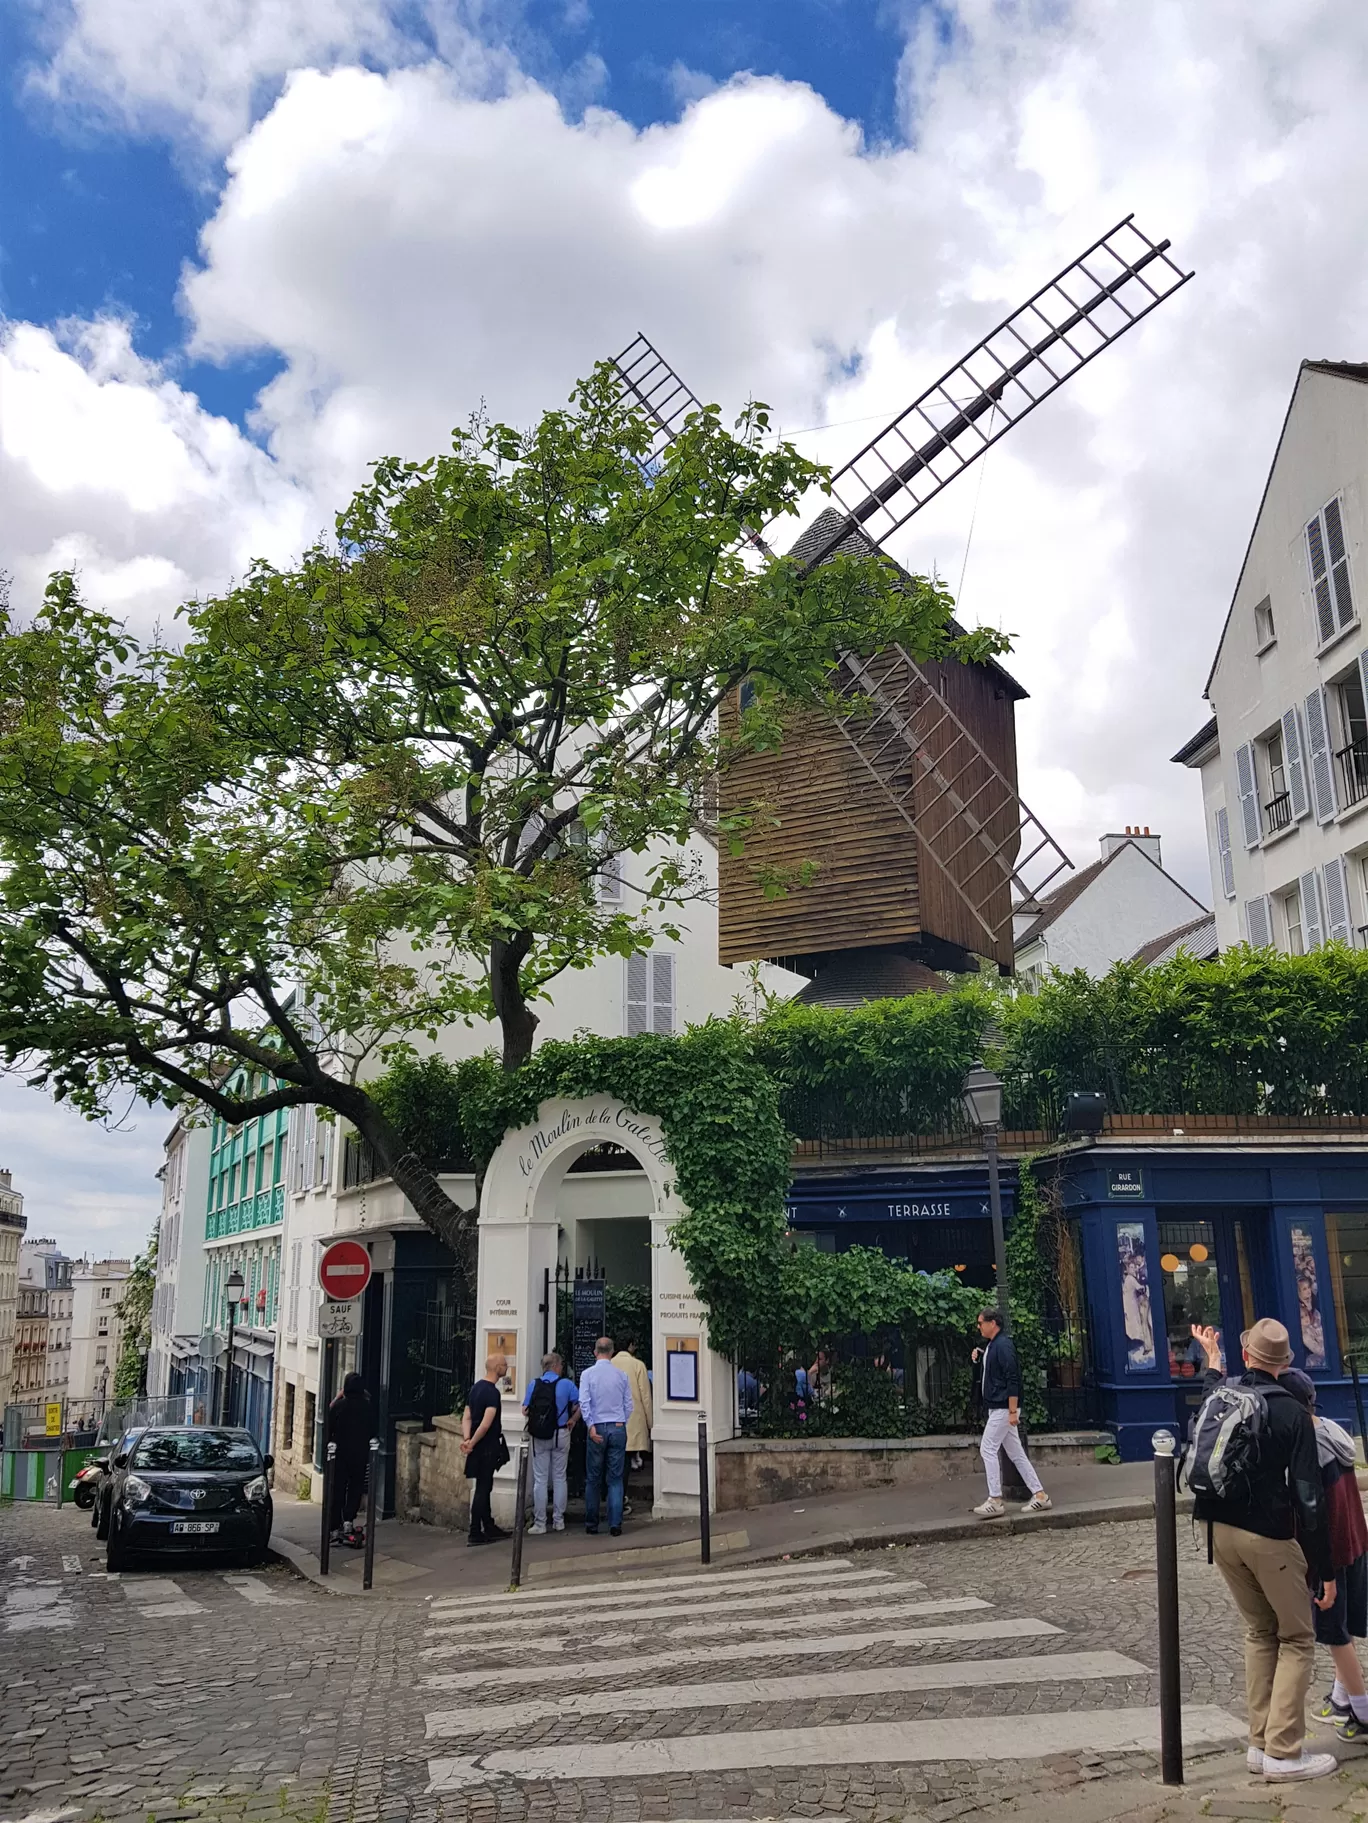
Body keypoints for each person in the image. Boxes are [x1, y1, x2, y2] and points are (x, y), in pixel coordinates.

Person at [1190, 1320, 1337, 1781]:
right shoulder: (1292, 1414)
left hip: (1217, 1529)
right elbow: (1309, 1498)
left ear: (1247, 1357)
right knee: (1296, 1637)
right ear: (1286, 1364)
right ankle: (1284, 1750)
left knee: (1259, 1632)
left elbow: (1205, 1398)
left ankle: (1260, 1743)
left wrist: (1212, 1360)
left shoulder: (1223, 1394)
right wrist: (1325, 1569)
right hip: (1268, 1536)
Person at [1278, 1369, 1368, 1741]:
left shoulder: (1305, 1449)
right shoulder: (1331, 1431)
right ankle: (1341, 1696)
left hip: (1330, 1551)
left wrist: (1319, 1566)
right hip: (1355, 1542)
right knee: (1341, 1626)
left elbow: (1314, 1512)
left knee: (1333, 1632)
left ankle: (1363, 1713)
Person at [970, 1308, 1050, 1519]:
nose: (979, 1326)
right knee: (1016, 1453)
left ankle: (995, 1499)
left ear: (993, 1323)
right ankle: (1040, 1494)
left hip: (1003, 1408)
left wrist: (1013, 1411)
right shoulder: (993, 1345)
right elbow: (994, 1372)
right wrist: (979, 1356)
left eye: (981, 1323)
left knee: (987, 1448)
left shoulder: (1003, 1345)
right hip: (1002, 1406)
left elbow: (1012, 1378)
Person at [577, 1335, 632, 1536]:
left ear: (595, 1352)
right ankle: (615, 1523)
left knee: (593, 1478)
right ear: (612, 1352)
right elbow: (629, 1405)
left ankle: (592, 1524)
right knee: (615, 1478)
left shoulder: (587, 1375)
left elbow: (584, 1402)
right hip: (617, 1426)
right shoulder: (621, 1375)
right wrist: (620, 1421)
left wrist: (590, 1425)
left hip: (597, 1427)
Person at [521, 1350, 579, 1535]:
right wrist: (573, 1419)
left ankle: (540, 1523)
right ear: (555, 1366)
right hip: (561, 1433)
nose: (562, 1368)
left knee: (540, 1479)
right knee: (559, 1476)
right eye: (560, 1365)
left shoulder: (533, 1384)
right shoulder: (567, 1385)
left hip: (540, 1436)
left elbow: (524, 1409)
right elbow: (580, 1405)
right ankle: (558, 1520)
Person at [460, 1352, 510, 1547]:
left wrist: (466, 1439)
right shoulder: (492, 1393)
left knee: (484, 1485)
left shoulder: (475, 1389)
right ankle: (475, 1531)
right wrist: (472, 1442)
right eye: (504, 1364)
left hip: (475, 1445)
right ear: (496, 1367)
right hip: (486, 1446)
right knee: (482, 1488)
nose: (506, 1367)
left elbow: (467, 1417)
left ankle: (488, 1525)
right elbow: (486, 1424)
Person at [326, 1371, 373, 1547]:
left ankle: (333, 1527)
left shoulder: (339, 1407)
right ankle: (348, 1521)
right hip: (359, 1454)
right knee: (355, 1487)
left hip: (339, 1454)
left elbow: (329, 1427)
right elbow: (373, 1430)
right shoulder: (367, 1407)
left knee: (337, 1488)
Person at [612, 1335, 653, 1517]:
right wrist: (651, 1424)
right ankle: (620, 1501)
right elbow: (646, 1397)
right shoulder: (638, 1365)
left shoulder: (608, 1364)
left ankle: (614, 1501)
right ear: (630, 1345)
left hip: (609, 1421)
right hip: (632, 1421)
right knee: (625, 1466)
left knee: (612, 1464)